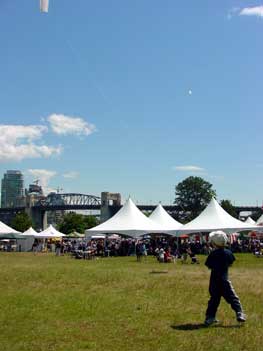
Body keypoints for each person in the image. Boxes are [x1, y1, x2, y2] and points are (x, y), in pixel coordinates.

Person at [204, 231, 246, 326]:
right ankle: (239, 313)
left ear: (214, 243)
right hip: (225, 280)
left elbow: (209, 265)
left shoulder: (212, 254)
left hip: (214, 280)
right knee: (233, 297)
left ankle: (210, 318)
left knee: (214, 299)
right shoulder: (228, 253)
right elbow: (230, 263)